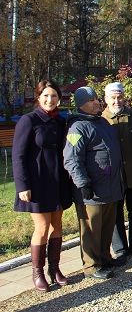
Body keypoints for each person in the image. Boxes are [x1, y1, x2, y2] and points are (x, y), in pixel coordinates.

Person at [13, 80, 73, 291]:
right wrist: (22, 186)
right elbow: (18, 155)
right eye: (46, 96)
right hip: (37, 183)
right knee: (42, 226)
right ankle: (37, 273)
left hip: (58, 182)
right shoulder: (28, 121)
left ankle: (54, 269)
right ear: (38, 97)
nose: (50, 100)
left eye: (54, 96)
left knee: (57, 225)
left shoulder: (60, 122)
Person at [64, 87, 123, 279]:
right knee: (91, 229)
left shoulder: (102, 122)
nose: (98, 103)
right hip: (92, 190)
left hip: (110, 188)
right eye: (93, 100)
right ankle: (91, 266)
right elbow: (72, 159)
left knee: (106, 227)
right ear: (82, 104)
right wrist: (83, 184)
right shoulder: (77, 128)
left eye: (97, 99)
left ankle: (105, 258)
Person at [102, 82, 132, 267]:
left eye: (119, 97)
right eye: (113, 97)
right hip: (113, 176)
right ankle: (120, 249)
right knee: (115, 214)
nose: (116, 101)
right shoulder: (101, 119)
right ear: (106, 99)